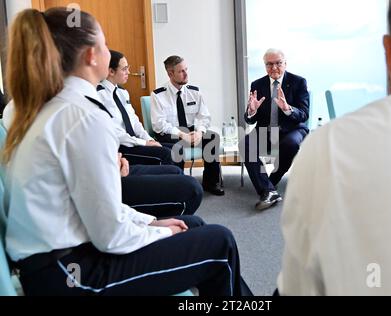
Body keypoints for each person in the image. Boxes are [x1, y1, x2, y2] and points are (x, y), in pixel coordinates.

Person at [3, 8, 251, 296]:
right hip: (71, 275)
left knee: (194, 225)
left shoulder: (51, 108)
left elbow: (92, 209)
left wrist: (151, 222)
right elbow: (110, 234)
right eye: (105, 44)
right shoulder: (82, 117)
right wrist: (162, 232)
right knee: (219, 242)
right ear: (91, 55)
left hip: (57, 262)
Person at [278, 0, 391, 296]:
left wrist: (286, 107)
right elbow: (248, 117)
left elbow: (300, 289)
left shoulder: (334, 147)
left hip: (294, 133)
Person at [2, 103, 203, 217]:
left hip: (107, 171)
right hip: (98, 188)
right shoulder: (48, 109)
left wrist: (144, 141)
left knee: (177, 174)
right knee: (189, 189)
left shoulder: (69, 101)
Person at [242, 49, 309, 211]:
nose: (274, 67)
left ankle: (271, 181)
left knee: (291, 144)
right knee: (245, 144)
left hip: (293, 129)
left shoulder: (298, 82)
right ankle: (268, 191)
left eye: (278, 63)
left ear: (285, 64)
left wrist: (288, 109)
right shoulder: (257, 84)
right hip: (266, 129)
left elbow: (304, 114)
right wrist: (252, 111)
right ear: (265, 66)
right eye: (269, 64)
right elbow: (250, 119)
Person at [151, 56, 224, 196]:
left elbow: (204, 116)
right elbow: (158, 124)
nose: (186, 74)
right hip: (170, 133)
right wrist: (181, 134)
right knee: (175, 146)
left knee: (212, 137)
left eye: (186, 69)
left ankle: (211, 182)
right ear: (170, 74)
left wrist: (199, 132)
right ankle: (179, 185)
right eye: (181, 71)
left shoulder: (194, 92)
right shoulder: (158, 95)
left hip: (191, 132)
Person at [97, 50, 173, 166]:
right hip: (121, 146)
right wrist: (144, 143)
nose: (129, 72)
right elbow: (115, 132)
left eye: (128, 68)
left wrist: (149, 140)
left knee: (177, 150)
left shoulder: (122, 92)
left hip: (134, 142)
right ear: (111, 71)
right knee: (165, 153)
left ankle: (179, 181)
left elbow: (134, 121)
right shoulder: (99, 95)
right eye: (124, 69)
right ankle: (171, 181)